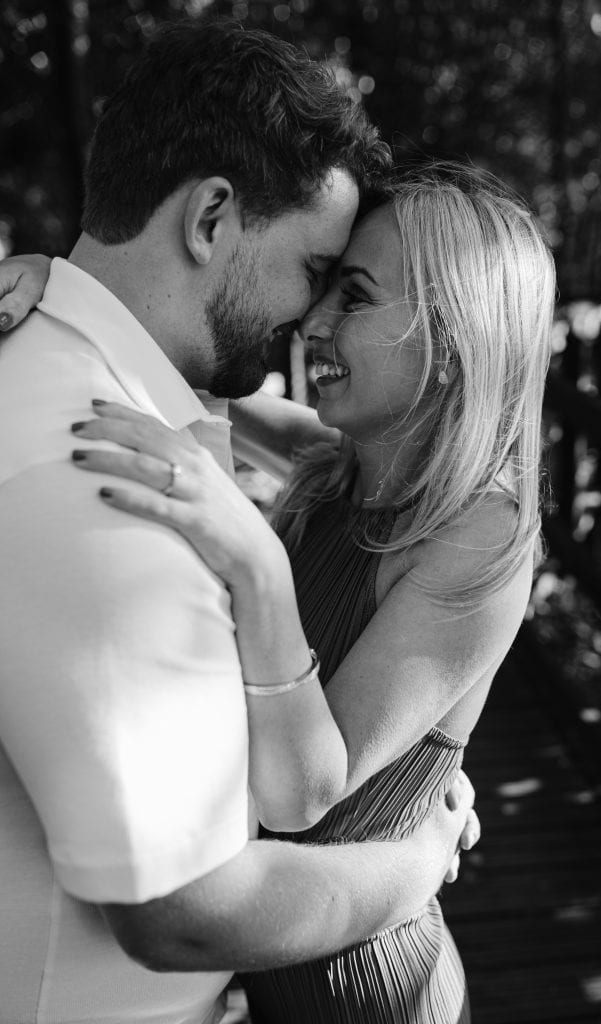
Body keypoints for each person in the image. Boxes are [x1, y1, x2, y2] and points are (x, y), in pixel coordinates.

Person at [0, 21, 478, 1024]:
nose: (310, 320)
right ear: (211, 216)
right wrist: (416, 857)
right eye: (314, 269)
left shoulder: (109, 400)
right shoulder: (103, 474)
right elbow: (185, 914)